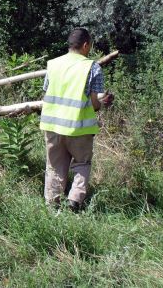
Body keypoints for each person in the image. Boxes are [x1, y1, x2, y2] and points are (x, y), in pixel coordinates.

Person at [39, 28, 113, 212]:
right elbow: (95, 104)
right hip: (79, 128)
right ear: (86, 45)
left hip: (53, 126)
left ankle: (52, 206)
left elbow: (48, 92)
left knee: (55, 166)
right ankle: (74, 202)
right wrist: (102, 102)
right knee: (82, 164)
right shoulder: (92, 66)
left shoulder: (53, 64)